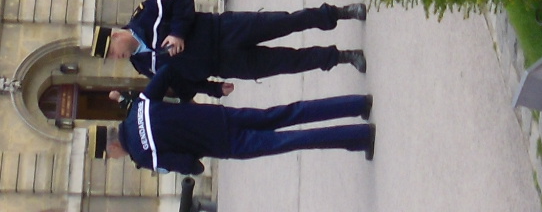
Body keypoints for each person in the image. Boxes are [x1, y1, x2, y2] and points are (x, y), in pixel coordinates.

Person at [95, 0, 367, 98]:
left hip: (225, 30)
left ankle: (339, 13)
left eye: (111, 52)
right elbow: (179, 82)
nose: (116, 58)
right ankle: (342, 57)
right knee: (287, 62)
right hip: (225, 64)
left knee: (286, 22)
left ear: (116, 35)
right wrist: (212, 89)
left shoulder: (145, 14)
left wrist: (178, 33)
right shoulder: (142, 65)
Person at [97, 91, 375, 171]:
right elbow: (165, 78)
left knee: (292, 140)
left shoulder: (143, 156)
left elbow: (190, 166)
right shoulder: (138, 108)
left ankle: (358, 136)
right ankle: (356, 104)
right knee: (288, 112)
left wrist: (193, 160)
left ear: (112, 147)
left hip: (223, 142)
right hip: (219, 116)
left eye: (111, 156)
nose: (116, 158)